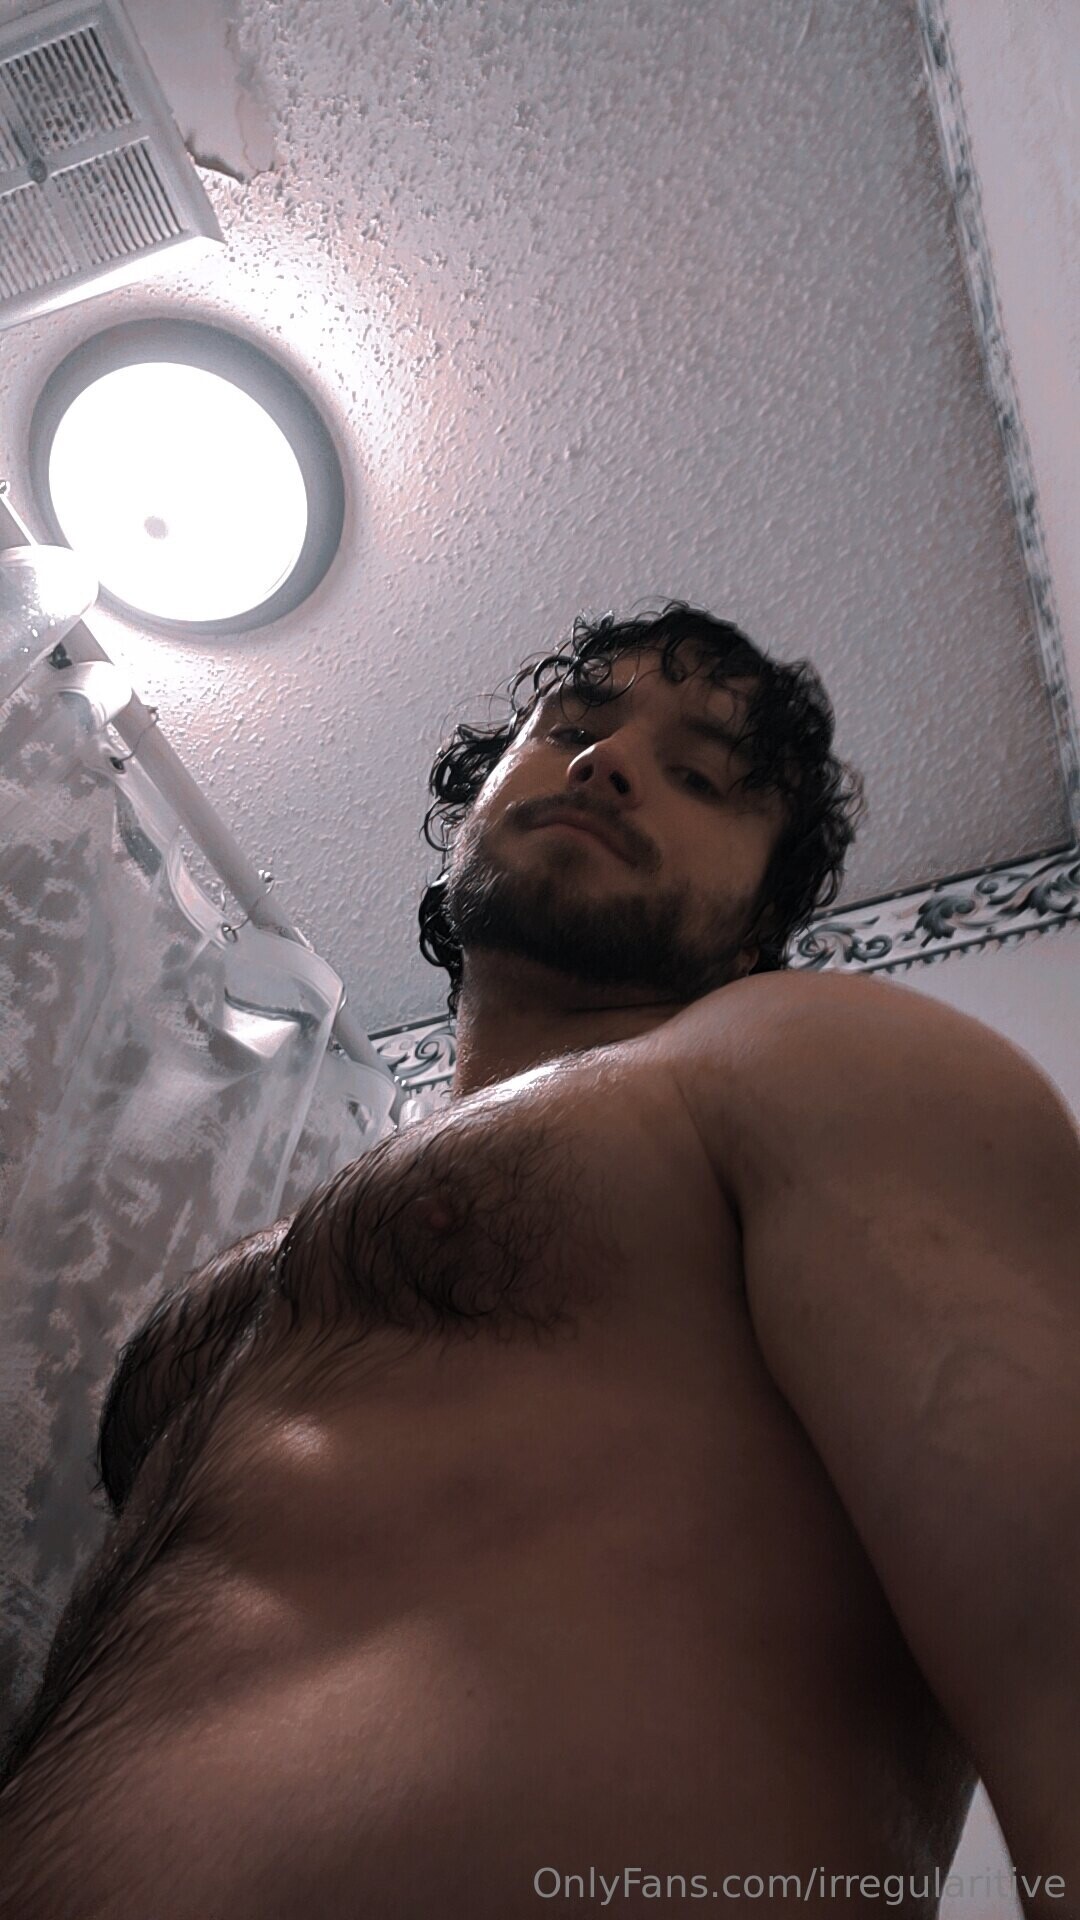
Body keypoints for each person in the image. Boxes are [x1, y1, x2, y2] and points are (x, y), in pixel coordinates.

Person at [0, 602, 1001, 1914]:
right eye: (570, 727)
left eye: (701, 777)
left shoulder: (819, 1076)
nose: (607, 762)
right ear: (474, 806)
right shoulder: (275, 1261)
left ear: (758, 930)